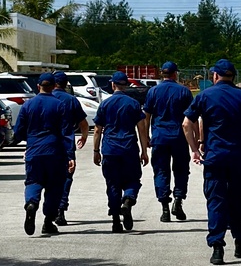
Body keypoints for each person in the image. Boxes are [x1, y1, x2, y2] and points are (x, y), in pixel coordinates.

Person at [183, 59, 241, 266]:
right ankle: (240, 241)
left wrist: (195, 149)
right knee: (239, 199)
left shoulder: (204, 96)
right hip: (240, 157)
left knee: (216, 200)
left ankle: (217, 247)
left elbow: (187, 123)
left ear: (215, 76)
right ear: (234, 77)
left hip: (215, 157)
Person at [12, 72, 73, 237]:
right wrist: (69, 155)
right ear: (54, 86)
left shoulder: (27, 105)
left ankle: (31, 204)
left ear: (38, 86)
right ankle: (48, 221)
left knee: (33, 181)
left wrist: (31, 140)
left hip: (34, 151)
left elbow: (18, 132)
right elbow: (66, 133)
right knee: (55, 187)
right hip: (55, 152)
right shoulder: (60, 105)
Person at [93, 72, 149, 232]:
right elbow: (141, 128)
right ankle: (128, 200)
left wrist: (96, 151)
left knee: (112, 184)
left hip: (110, 150)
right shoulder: (133, 104)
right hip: (129, 148)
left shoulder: (105, 104)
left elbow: (97, 130)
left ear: (113, 85)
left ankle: (116, 220)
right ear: (126, 85)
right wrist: (144, 151)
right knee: (133, 180)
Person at [143, 61, 194, 222]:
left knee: (161, 171)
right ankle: (178, 200)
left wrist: (145, 137)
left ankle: (164, 207)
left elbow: (147, 115)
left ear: (162, 74)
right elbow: (191, 117)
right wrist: (197, 140)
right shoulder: (184, 92)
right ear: (175, 74)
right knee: (181, 170)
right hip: (179, 137)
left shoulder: (153, 91)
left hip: (159, 137)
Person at [52, 70, 89, 226]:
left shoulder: (43, 99)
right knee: (66, 177)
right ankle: (60, 210)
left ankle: (46, 208)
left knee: (47, 178)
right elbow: (83, 124)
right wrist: (84, 136)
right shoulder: (71, 100)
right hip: (66, 144)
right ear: (66, 84)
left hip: (46, 144)